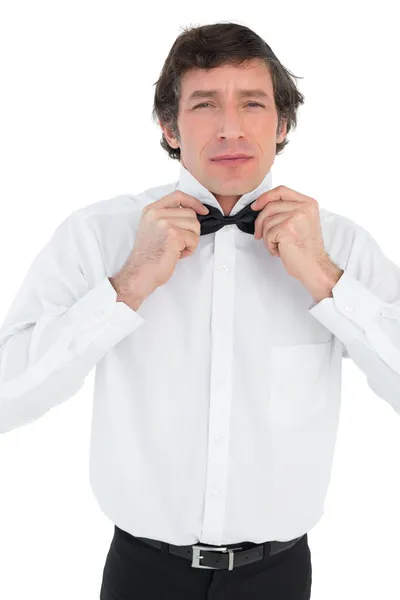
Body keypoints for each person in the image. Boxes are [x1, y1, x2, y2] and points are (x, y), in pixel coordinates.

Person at [1, 20, 400, 600]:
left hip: (280, 576)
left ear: (283, 122)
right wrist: (128, 285)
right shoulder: (97, 235)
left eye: (253, 104)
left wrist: (326, 280)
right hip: (142, 572)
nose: (231, 128)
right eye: (205, 104)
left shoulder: (344, 246)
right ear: (169, 126)